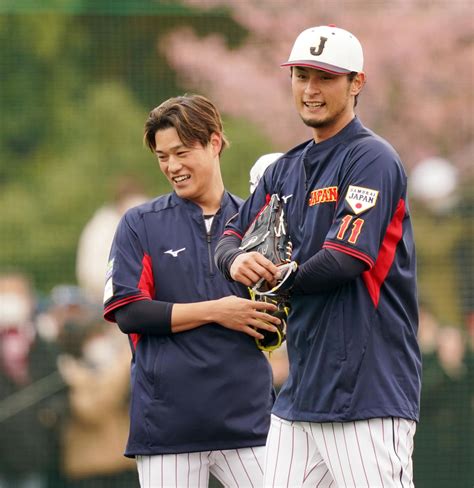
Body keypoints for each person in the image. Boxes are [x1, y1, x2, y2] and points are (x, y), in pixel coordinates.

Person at [215, 25, 421, 487]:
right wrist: (234, 261)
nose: (310, 89)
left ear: (356, 83)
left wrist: (275, 280)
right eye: (301, 75)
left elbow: (345, 258)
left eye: (325, 77)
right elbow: (230, 232)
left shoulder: (372, 159)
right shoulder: (283, 169)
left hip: (366, 395)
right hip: (300, 396)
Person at [102, 94, 281, 488]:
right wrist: (217, 310)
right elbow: (129, 312)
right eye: (163, 157)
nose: (172, 166)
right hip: (167, 429)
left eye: (181, 152)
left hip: (251, 423)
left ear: (214, 143)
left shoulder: (258, 222)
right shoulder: (139, 224)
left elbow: (279, 316)